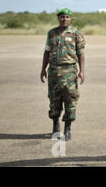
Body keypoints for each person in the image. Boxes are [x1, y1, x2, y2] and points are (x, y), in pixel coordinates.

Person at [40, 8, 85, 141]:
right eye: (62, 17)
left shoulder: (76, 34)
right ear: (58, 19)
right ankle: (55, 125)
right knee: (54, 100)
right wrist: (43, 69)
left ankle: (67, 128)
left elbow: (81, 54)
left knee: (70, 100)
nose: (64, 19)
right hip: (53, 71)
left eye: (67, 17)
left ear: (71, 19)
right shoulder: (51, 33)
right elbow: (46, 52)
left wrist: (82, 71)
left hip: (70, 71)